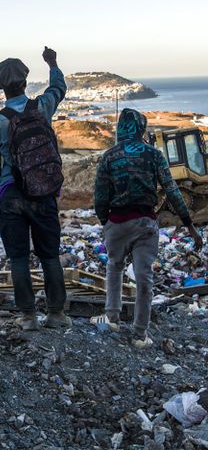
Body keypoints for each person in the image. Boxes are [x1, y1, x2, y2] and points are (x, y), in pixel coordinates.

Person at [93, 108, 203, 348]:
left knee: (114, 266)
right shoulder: (153, 155)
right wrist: (189, 226)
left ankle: (112, 317)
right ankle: (140, 334)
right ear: (142, 129)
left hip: (117, 223)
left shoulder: (109, 156)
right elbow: (172, 191)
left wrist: (106, 222)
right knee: (144, 278)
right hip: (145, 224)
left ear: (121, 129)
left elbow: (100, 196)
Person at [0, 47, 73, 331]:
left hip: (11, 196)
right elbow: (59, 87)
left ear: (1, 86)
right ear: (25, 81)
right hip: (43, 192)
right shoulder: (42, 107)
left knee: (19, 258)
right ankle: (56, 314)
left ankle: (28, 317)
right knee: (49, 255)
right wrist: (53, 63)